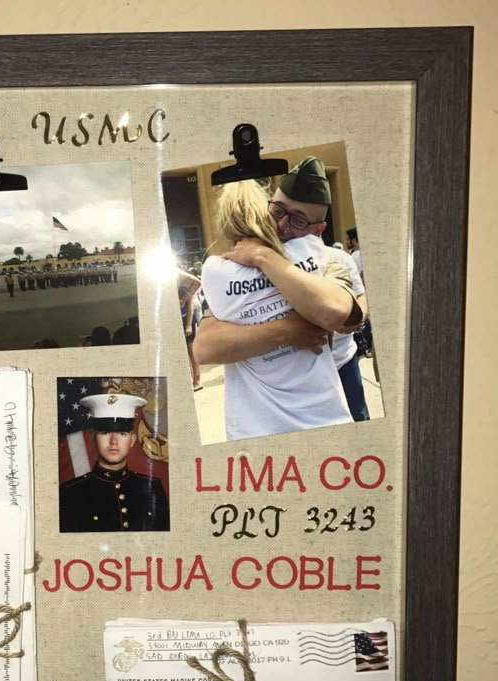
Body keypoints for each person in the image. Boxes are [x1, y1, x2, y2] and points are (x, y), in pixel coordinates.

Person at [195, 156, 371, 421]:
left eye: (298, 220)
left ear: (318, 228)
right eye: (277, 210)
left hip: (341, 367)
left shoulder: (332, 258)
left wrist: (264, 258)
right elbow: (206, 343)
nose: (281, 225)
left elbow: (345, 315)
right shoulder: (238, 263)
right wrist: (287, 329)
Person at [58, 393, 170, 532]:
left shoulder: (152, 488)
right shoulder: (70, 494)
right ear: (93, 438)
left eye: (122, 433)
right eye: (105, 432)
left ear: (132, 440)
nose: (114, 441)